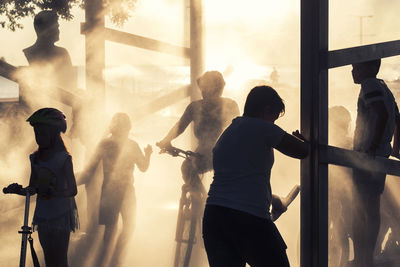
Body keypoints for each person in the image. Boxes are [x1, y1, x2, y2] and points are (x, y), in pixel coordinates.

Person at [203, 85, 309, 267]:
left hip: (214, 218)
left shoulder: (229, 132)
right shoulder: (261, 127)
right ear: (266, 109)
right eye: (274, 118)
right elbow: (302, 151)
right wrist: (303, 139)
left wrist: (272, 199)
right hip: (248, 220)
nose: (273, 124)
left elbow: (240, 180)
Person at [6, 107, 79, 267]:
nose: (38, 137)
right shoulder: (35, 159)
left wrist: (54, 192)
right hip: (43, 215)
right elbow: (33, 188)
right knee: (48, 259)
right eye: (36, 133)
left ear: (54, 135)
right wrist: (19, 190)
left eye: (43, 133)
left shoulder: (64, 158)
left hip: (60, 216)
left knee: (59, 260)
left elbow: (73, 190)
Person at [80, 112, 152, 267]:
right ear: (127, 128)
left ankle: (105, 261)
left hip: (110, 191)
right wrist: (148, 154)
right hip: (126, 191)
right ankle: (115, 260)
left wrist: (69, 180)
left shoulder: (105, 144)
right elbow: (144, 167)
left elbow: (90, 168)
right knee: (128, 226)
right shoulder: (131, 145)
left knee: (110, 229)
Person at [351, 59, 400, 267]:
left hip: (368, 158)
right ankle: (366, 257)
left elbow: (381, 112)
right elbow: (397, 118)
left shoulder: (370, 84)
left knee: (362, 207)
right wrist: (394, 148)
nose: (352, 72)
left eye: (356, 68)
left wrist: (371, 145)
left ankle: (364, 258)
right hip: (379, 156)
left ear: (370, 68)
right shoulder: (383, 86)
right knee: (371, 206)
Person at [157, 71, 239, 193]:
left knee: (187, 168)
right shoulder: (229, 105)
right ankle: (202, 199)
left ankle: (201, 199)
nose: (203, 91)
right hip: (219, 155)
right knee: (190, 169)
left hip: (211, 154)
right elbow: (179, 127)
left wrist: (166, 141)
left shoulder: (196, 107)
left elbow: (179, 127)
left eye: (205, 88)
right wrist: (166, 140)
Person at [328, 106, 353, 267]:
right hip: (343, 198)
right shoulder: (352, 144)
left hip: (334, 196)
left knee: (339, 234)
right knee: (341, 235)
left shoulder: (330, 144)